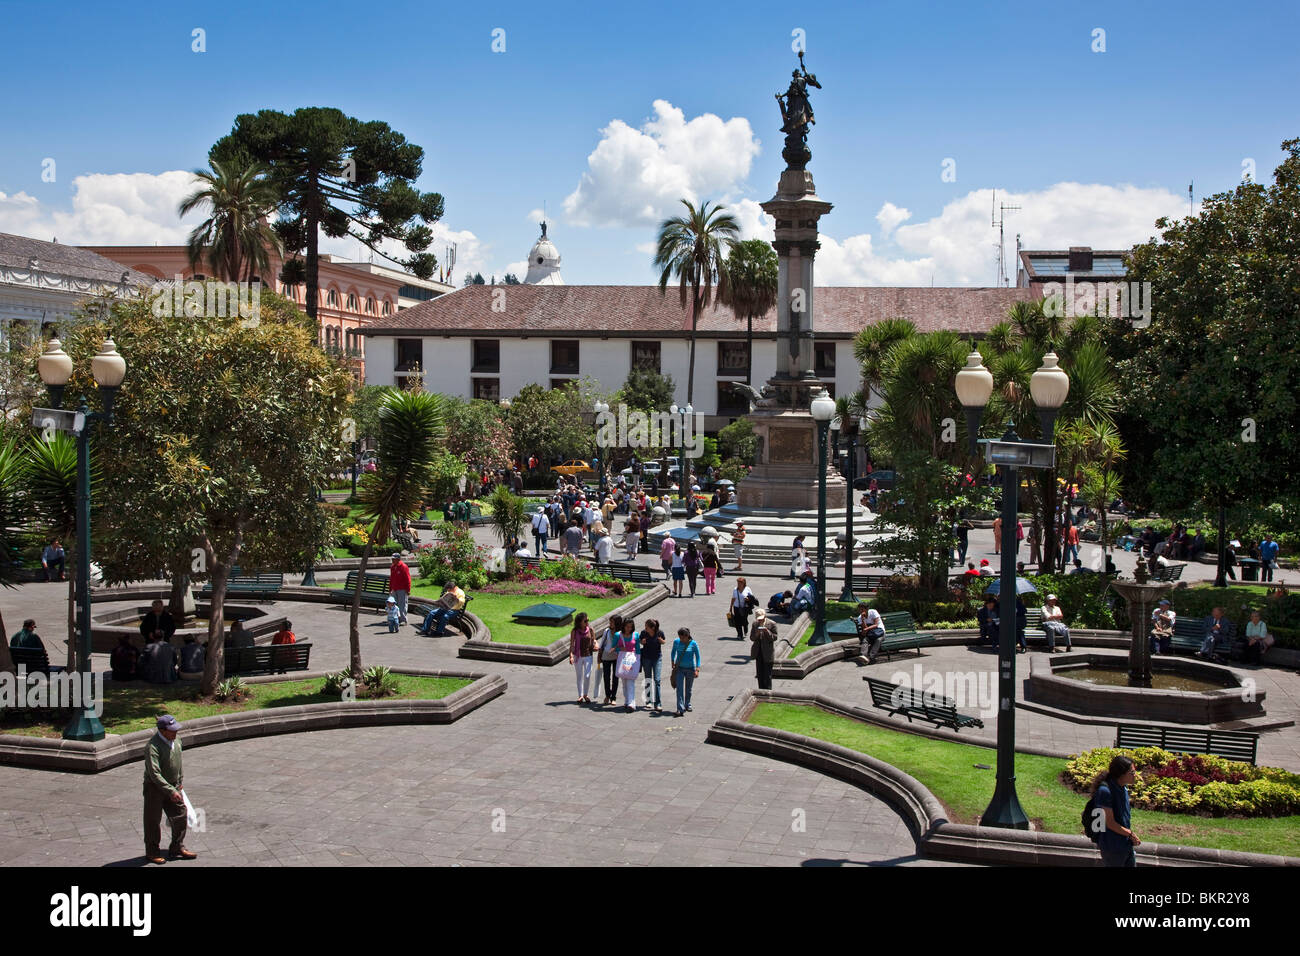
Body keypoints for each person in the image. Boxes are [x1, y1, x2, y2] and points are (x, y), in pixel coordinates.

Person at [143, 714, 196, 864]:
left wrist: (179, 783)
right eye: (172, 730)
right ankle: (152, 852)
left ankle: (177, 846)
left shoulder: (177, 740)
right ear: (162, 730)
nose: (175, 733)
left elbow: (178, 763)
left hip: (174, 785)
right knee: (152, 820)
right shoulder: (152, 747)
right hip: (155, 788)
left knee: (181, 815)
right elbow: (154, 774)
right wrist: (170, 790)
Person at [1091, 754, 1140, 867]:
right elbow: (1110, 823)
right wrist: (1130, 834)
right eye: (1132, 773)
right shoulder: (1105, 791)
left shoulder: (1123, 787)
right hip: (1112, 846)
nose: (1135, 775)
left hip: (1124, 843)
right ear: (1121, 774)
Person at [671, 627, 701, 716]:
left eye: (683, 637)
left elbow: (698, 657)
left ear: (687, 636)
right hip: (679, 668)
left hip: (690, 669)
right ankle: (680, 708)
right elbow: (673, 652)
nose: (681, 639)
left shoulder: (693, 644)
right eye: (680, 637)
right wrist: (672, 662)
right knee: (679, 689)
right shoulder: (676, 642)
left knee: (688, 689)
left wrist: (697, 669)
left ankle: (687, 704)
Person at [568, 611, 596, 704]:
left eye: (588, 620)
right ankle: (580, 695)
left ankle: (586, 694)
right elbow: (572, 644)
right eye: (585, 621)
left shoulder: (591, 630)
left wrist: (595, 645)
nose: (587, 622)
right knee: (579, 676)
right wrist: (571, 656)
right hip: (578, 656)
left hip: (588, 655)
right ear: (580, 622)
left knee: (587, 675)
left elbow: (594, 640)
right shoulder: (574, 631)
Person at [613, 617, 640, 711]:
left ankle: (631, 704)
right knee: (624, 682)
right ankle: (627, 700)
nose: (628, 629)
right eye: (627, 627)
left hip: (632, 661)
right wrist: (619, 649)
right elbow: (613, 648)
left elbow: (638, 649)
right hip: (622, 661)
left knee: (630, 681)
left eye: (630, 627)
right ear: (623, 626)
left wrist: (638, 662)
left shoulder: (636, 635)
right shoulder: (618, 635)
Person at [639, 618, 665, 712]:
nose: (645, 628)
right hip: (646, 658)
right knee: (648, 679)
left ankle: (658, 703)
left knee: (657, 680)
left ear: (652, 628)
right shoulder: (643, 633)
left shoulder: (659, 633)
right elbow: (640, 641)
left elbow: (664, 641)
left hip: (657, 658)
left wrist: (661, 641)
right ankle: (648, 701)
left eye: (647, 627)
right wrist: (642, 642)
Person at [749, 609, 779, 690]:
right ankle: (761, 690)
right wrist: (757, 633)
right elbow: (752, 638)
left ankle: (768, 690)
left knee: (767, 674)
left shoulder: (772, 624)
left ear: (765, 616)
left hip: (767, 652)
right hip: (758, 652)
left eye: (761, 618)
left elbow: (774, 637)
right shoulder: (755, 624)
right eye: (758, 619)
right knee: (759, 673)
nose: (760, 620)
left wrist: (766, 631)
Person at [598, 615, 623, 706]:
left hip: (617, 656)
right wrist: (599, 656)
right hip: (606, 656)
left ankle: (613, 697)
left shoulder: (621, 632)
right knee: (606, 676)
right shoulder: (607, 631)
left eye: (612, 622)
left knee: (615, 677)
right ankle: (607, 695)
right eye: (610, 622)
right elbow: (601, 644)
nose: (610, 624)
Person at [389, 552, 412, 625]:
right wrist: (390, 589)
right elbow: (391, 578)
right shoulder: (392, 567)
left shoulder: (403, 567)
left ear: (398, 559)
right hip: (394, 589)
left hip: (402, 589)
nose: (392, 560)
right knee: (394, 605)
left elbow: (408, 579)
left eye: (394, 559)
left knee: (402, 605)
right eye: (392, 559)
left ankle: (403, 620)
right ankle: (396, 618)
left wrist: (408, 590)